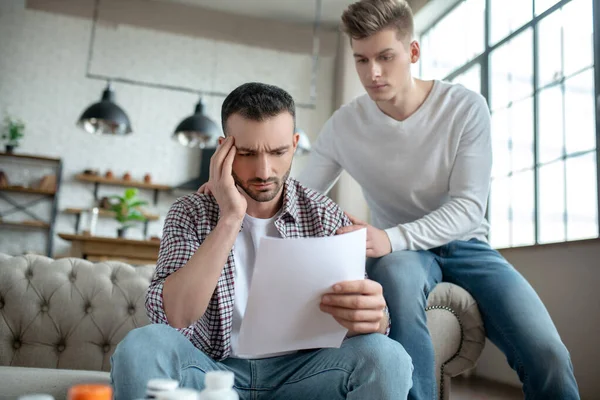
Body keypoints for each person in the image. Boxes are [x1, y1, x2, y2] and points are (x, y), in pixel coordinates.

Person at [298, 1, 580, 399]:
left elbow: (468, 209)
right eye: (361, 60)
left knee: (548, 353)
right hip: (402, 255)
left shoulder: (464, 107)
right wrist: (235, 189)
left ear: (412, 52)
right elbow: (299, 195)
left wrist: (389, 238)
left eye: (385, 57)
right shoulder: (345, 124)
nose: (372, 73)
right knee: (395, 276)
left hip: (467, 245)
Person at [110, 82, 413, 400]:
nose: (264, 170)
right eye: (246, 153)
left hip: (304, 376)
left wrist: (375, 318)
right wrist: (230, 218)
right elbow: (176, 315)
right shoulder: (190, 212)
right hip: (210, 372)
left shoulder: (325, 216)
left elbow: (367, 328)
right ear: (223, 150)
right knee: (142, 346)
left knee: (387, 356)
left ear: (294, 145)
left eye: (278, 151)